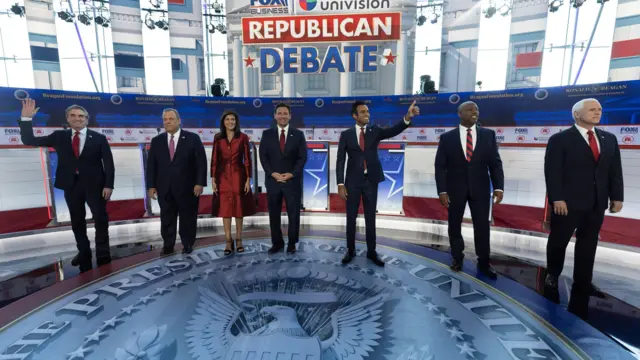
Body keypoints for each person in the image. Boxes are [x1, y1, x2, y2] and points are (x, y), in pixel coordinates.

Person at [18, 99, 114, 273]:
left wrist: (109, 185)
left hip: (96, 186)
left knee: (101, 219)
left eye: (81, 116)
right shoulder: (59, 136)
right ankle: (83, 252)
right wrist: (26, 119)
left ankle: (103, 254)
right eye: (73, 116)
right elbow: (28, 139)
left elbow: (108, 163)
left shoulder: (99, 138)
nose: (77, 119)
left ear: (86, 119)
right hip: (72, 185)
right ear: (67, 119)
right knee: (77, 221)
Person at [544, 98, 623, 297]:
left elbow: (615, 171)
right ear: (577, 114)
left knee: (588, 243)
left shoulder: (609, 139)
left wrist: (617, 197)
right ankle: (552, 275)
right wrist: (557, 198)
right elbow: (553, 171)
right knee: (558, 241)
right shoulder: (560, 139)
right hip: (567, 203)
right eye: (592, 110)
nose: (597, 112)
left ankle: (584, 281)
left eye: (599, 109)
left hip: (596, 203)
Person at [336, 100, 419, 266]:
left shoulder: (375, 131)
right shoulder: (346, 135)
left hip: (370, 181)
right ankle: (350, 251)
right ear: (354, 116)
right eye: (363, 112)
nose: (367, 114)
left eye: (368, 111)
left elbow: (393, 130)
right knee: (350, 217)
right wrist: (340, 184)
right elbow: (340, 160)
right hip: (352, 182)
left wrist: (407, 118)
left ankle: (372, 252)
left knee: (370, 218)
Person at [434, 101, 504, 279]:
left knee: (482, 227)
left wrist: (498, 186)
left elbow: (495, 164)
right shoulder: (447, 138)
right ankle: (457, 257)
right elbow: (440, 166)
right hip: (454, 190)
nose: (475, 112)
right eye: (470, 109)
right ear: (459, 113)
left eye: (477, 109)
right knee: (454, 225)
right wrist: (442, 191)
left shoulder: (488, 135)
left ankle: (484, 262)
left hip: (480, 189)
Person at [146, 108, 207, 255]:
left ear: (179, 121)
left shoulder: (193, 138)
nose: (167, 122)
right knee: (167, 217)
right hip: (164, 187)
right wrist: (151, 186)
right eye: (165, 119)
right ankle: (168, 245)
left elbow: (201, 163)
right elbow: (151, 166)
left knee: (188, 217)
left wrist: (199, 183)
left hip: (188, 188)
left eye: (171, 119)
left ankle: (187, 243)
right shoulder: (157, 141)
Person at [258, 103, 308, 254]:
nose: (282, 116)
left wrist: (291, 174)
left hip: (292, 181)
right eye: (279, 113)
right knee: (274, 214)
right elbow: (263, 157)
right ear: (275, 116)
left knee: (294, 214)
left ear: (290, 116)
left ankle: (292, 242)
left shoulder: (298, 135)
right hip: (273, 181)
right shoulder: (267, 134)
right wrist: (272, 173)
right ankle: (277, 242)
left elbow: (302, 158)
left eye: (285, 113)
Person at [211, 110, 256, 255]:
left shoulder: (243, 137)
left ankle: (239, 239)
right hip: (222, 177)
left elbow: (247, 160)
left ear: (236, 122)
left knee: (239, 209)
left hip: (239, 176)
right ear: (223, 122)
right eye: (227, 119)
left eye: (233, 120)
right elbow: (214, 160)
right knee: (225, 210)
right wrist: (213, 179)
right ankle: (228, 241)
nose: (230, 122)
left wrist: (248, 179)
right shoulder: (218, 138)